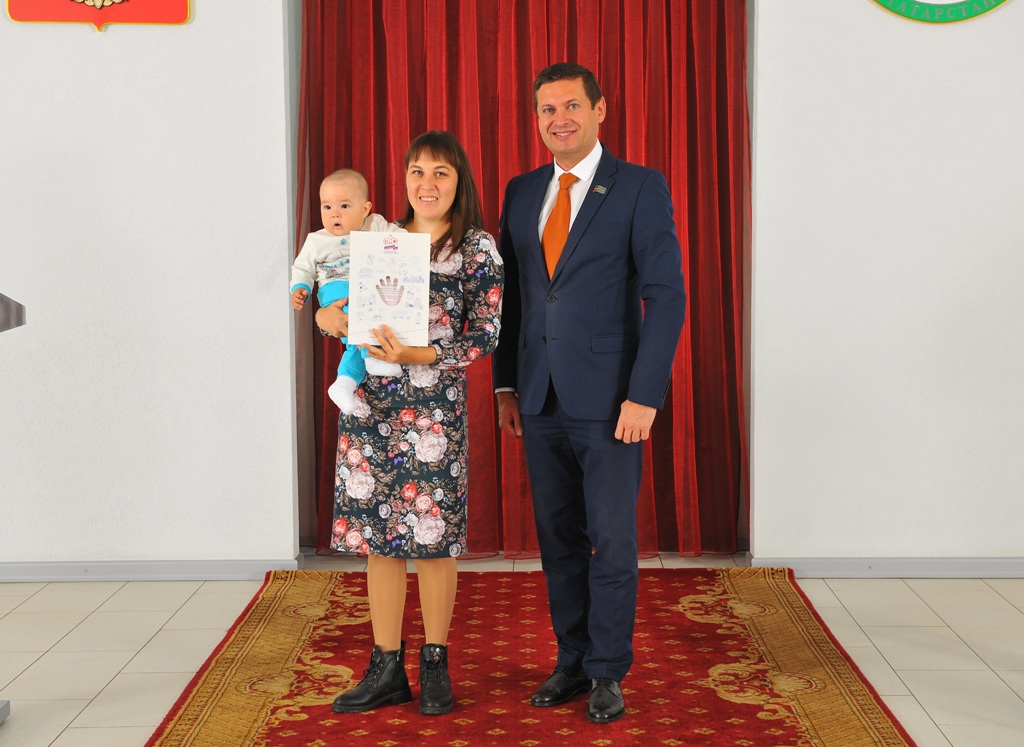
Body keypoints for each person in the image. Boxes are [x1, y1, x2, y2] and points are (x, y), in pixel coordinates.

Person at [492, 62, 686, 725]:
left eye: (572, 105)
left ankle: (607, 669)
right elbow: (515, 298)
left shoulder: (638, 186)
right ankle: (571, 659)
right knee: (558, 541)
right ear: (536, 119)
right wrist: (506, 383)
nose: (560, 119)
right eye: (547, 109)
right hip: (538, 398)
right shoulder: (522, 191)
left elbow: (666, 297)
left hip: (611, 402)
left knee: (612, 540)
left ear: (600, 110)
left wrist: (645, 394)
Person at [315, 131, 504, 716]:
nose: (427, 183)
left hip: (432, 415)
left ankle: (436, 662)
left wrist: (421, 355)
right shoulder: (380, 239)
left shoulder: (476, 248)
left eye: (440, 172)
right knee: (380, 541)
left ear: (459, 180)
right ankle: (386, 667)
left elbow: (487, 334)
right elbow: (337, 298)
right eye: (417, 171)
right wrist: (325, 315)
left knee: (433, 539)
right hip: (371, 406)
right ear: (403, 180)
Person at [290, 168, 402, 413]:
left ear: (364, 209)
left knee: (357, 337)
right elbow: (303, 268)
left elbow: (402, 239)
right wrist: (300, 287)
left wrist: (417, 246)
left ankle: (344, 382)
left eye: (344, 206)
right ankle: (372, 356)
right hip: (335, 289)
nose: (335, 214)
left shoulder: (375, 225)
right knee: (358, 316)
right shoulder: (317, 240)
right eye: (327, 207)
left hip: (366, 285)